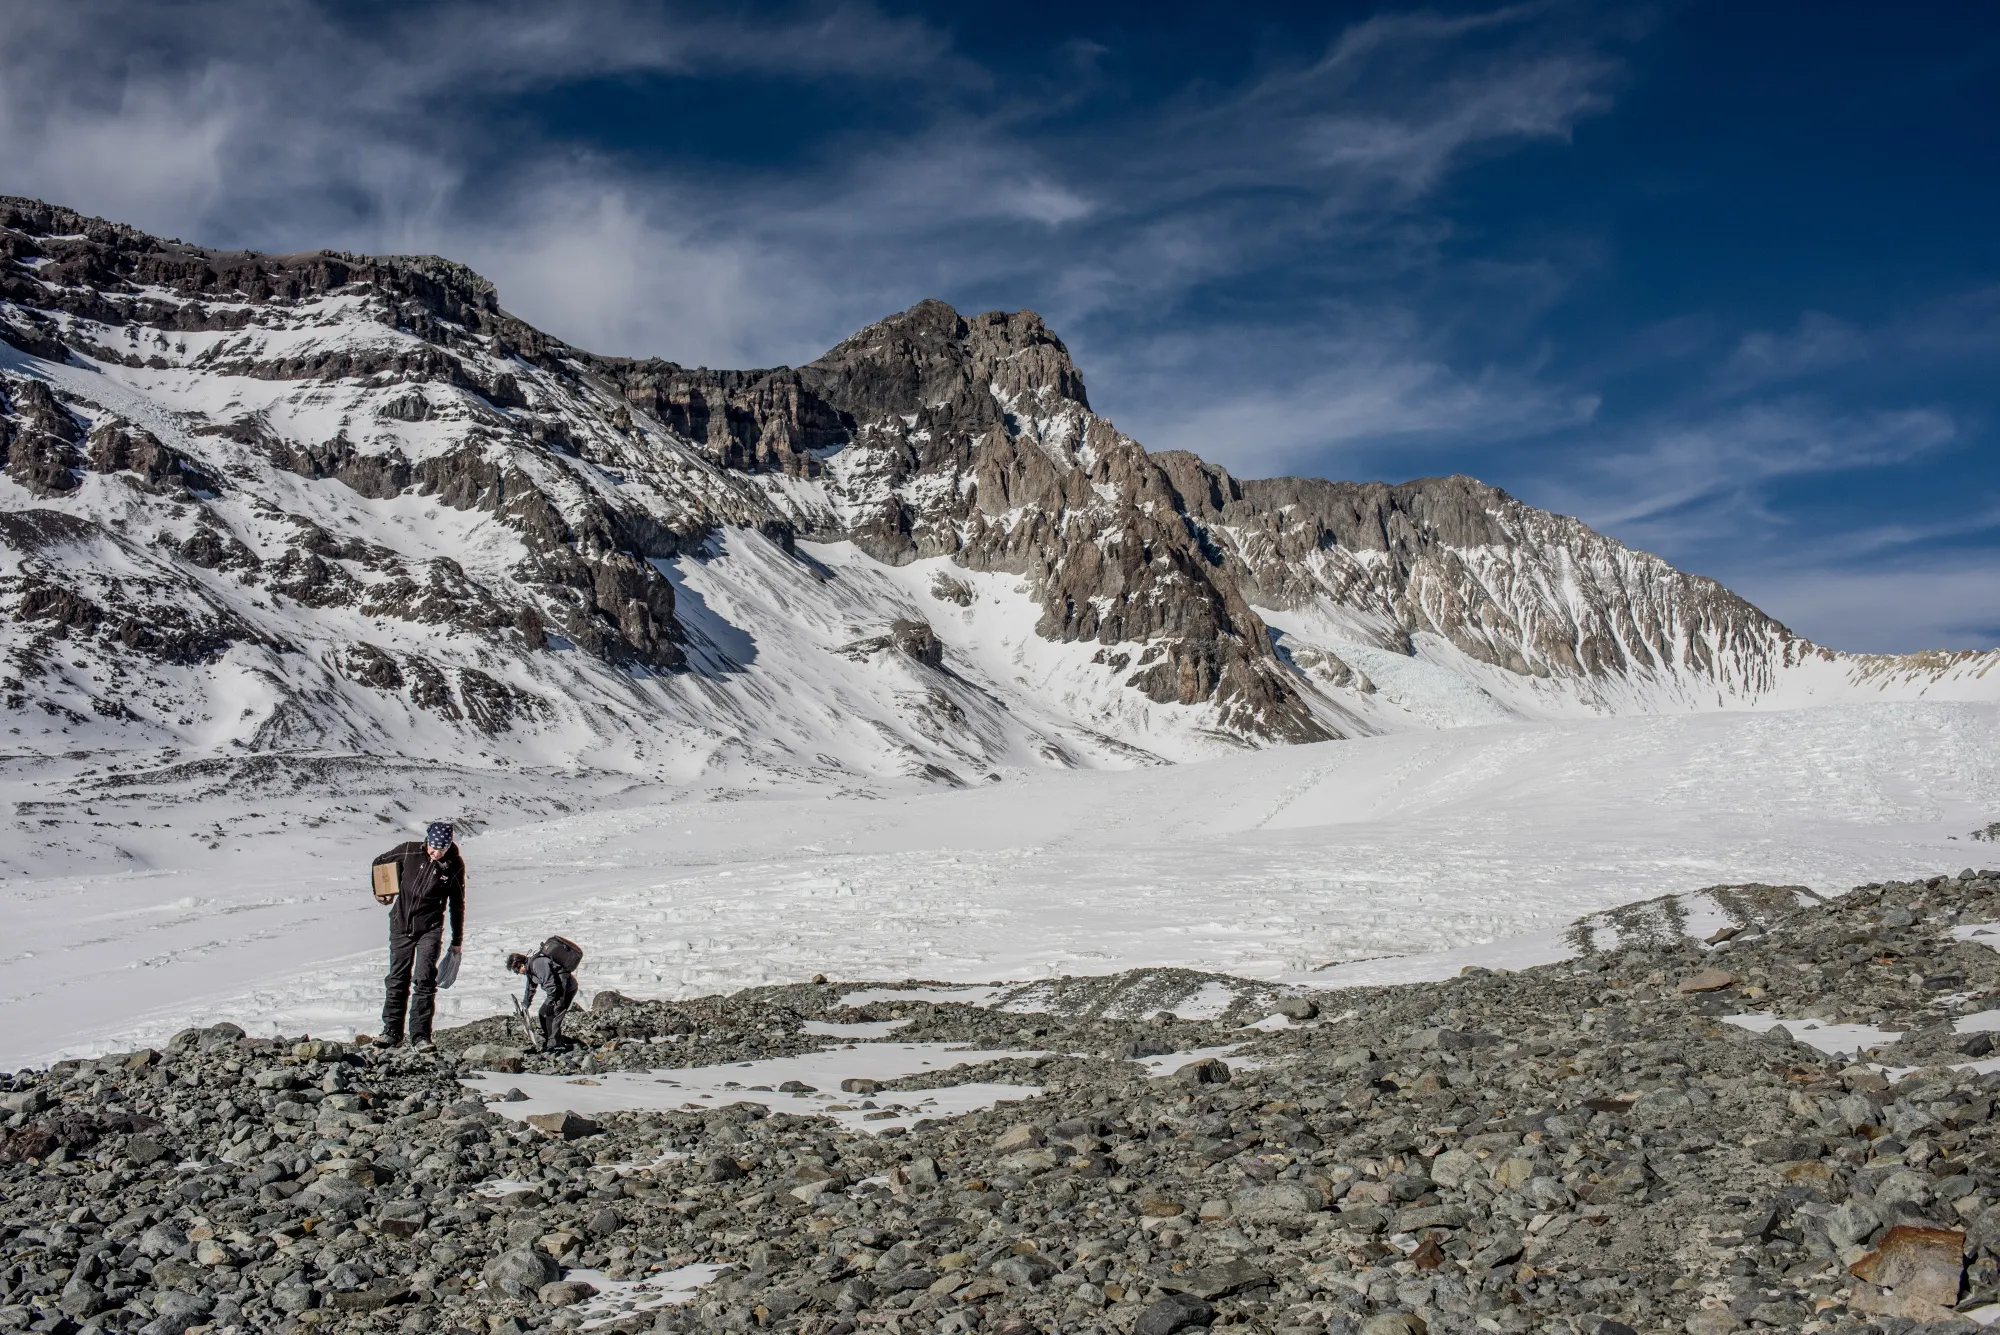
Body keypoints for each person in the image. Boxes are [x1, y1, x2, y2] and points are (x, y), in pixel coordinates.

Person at [376, 822, 465, 1048]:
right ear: (427, 841)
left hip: (430, 929)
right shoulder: (409, 851)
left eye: (442, 849)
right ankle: (391, 1032)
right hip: (401, 925)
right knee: (397, 978)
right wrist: (382, 892)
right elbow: (380, 863)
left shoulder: (454, 865)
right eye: (434, 848)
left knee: (424, 980)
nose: (436, 853)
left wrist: (457, 941)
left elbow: (457, 904)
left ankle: (420, 1036)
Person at [509, 943, 578, 1051]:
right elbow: (530, 987)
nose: (518, 973)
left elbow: (551, 984)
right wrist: (526, 1003)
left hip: (565, 989)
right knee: (542, 1013)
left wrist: (551, 1002)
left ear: (520, 965)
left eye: (516, 970)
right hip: (556, 991)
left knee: (553, 1014)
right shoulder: (530, 967)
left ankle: (555, 1045)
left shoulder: (538, 964)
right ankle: (552, 1040)